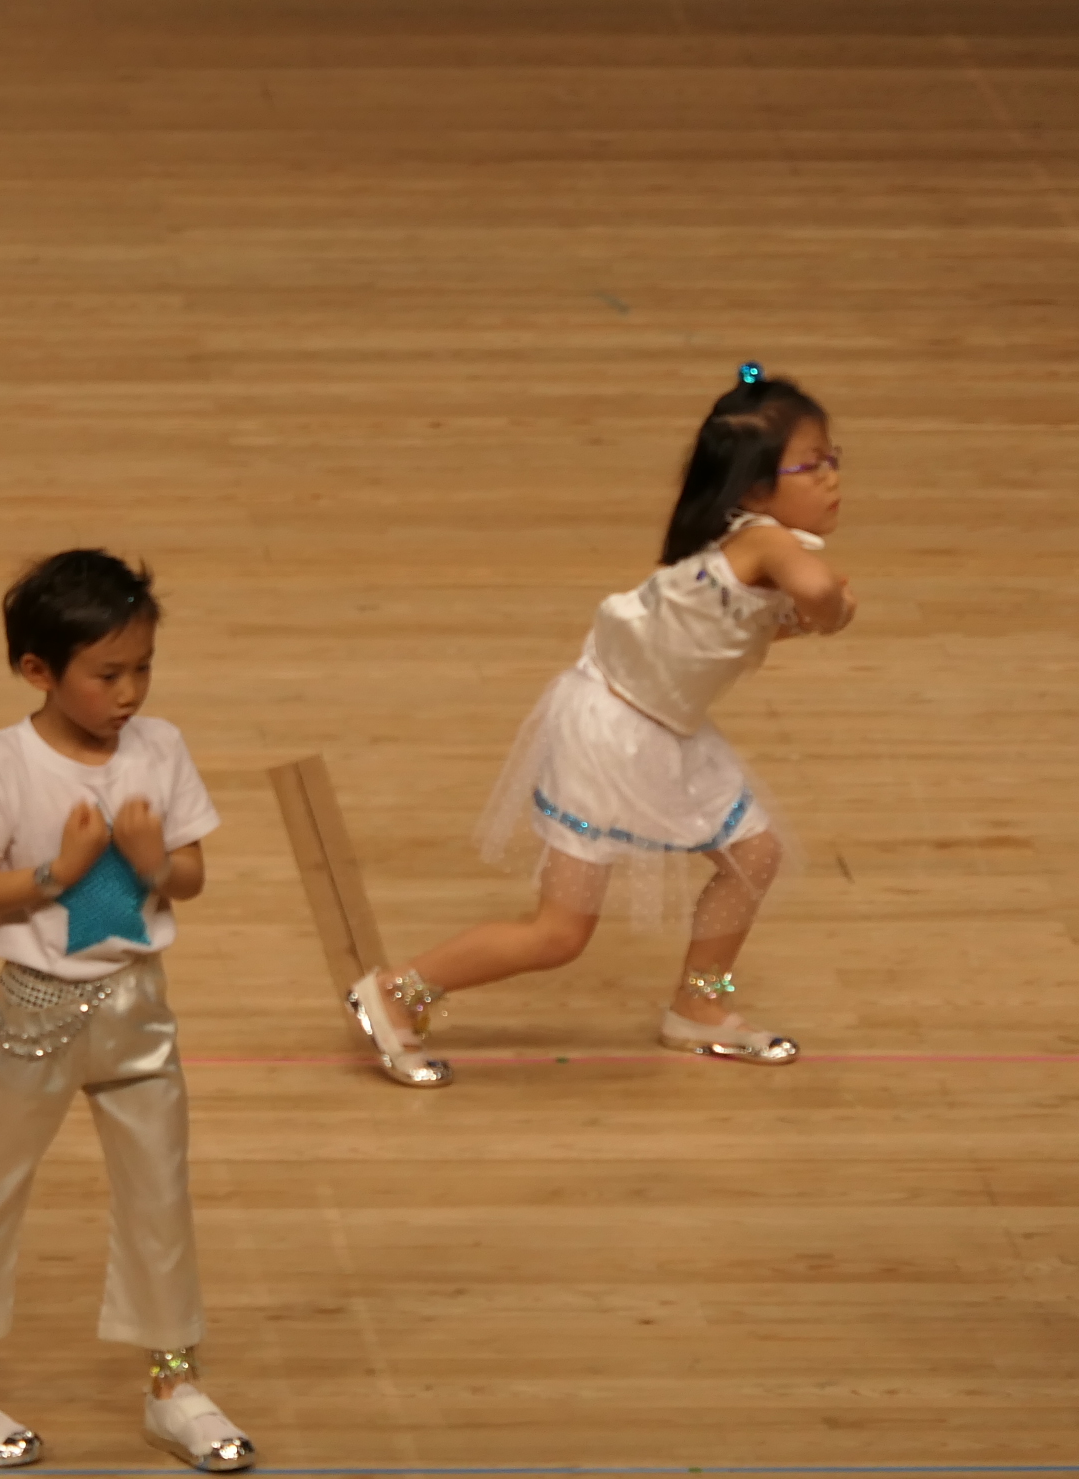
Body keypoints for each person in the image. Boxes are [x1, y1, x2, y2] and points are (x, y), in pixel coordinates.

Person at [348, 365, 854, 1088]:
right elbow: (817, 588)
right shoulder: (769, 543)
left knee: (755, 854)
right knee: (559, 934)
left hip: (665, 729)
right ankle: (397, 993)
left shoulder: (741, 555)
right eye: (811, 465)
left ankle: (699, 1004)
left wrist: (796, 620)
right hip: (610, 735)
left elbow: (715, 639)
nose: (832, 478)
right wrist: (831, 613)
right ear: (751, 490)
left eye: (835, 458)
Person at [0, 550, 256, 1473]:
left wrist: (151, 861)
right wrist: (56, 873)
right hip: (40, 1010)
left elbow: (190, 875)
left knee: (159, 1193)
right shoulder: (3, 760)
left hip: (140, 1005)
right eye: (107, 674)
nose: (129, 692)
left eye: (143, 668)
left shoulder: (161, 748)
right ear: (39, 670)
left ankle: (173, 1382)